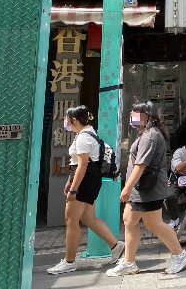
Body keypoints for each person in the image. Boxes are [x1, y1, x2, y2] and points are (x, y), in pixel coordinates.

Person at [107, 102, 186, 276]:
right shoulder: (147, 133)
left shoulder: (150, 136)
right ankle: (129, 262)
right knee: (129, 221)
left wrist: (127, 188)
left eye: (135, 113)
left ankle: (179, 254)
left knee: (153, 224)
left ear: (146, 115)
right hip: (142, 187)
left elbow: (141, 165)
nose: (131, 117)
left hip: (147, 188)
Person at [47, 106, 124, 275]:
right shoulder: (88, 133)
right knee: (89, 218)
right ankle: (116, 246)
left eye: (66, 119)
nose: (65, 122)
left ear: (74, 120)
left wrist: (73, 190)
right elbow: (77, 164)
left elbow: (82, 166)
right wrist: (69, 182)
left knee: (71, 219)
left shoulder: (83, 137)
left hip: (84, 180)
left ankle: (69, 261)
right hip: (88, 179)